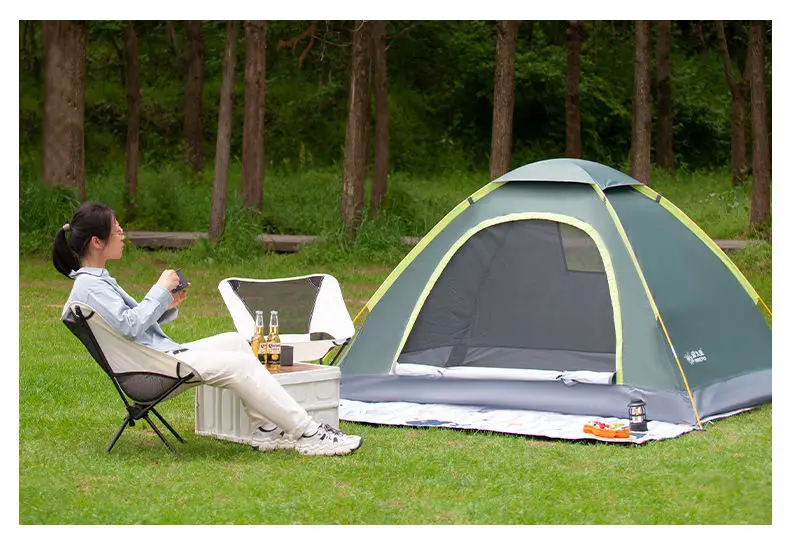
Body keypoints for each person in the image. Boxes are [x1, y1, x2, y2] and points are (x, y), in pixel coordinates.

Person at [54, 202, 362, 456]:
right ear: (97, 242)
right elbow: (132, 327)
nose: (122, 234)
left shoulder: (95, 282)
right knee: (240, 365)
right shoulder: (90, 287)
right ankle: (309, 434)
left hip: (154, 359)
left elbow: (132, 323)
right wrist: (159, 290)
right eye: (117, 229)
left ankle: (265, 430)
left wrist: (166, 303)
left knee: (236, 341)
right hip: (151, 370)